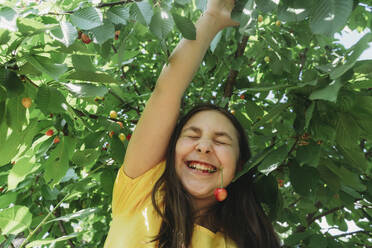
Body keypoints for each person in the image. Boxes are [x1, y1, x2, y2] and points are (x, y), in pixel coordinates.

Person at [104, 0, 281, 247]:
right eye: (192, 135)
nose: (204, 146)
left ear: (239, 164)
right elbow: (167, 91)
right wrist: (213, 16)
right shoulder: (142, 190)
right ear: (171, 150)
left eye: (221, 141)